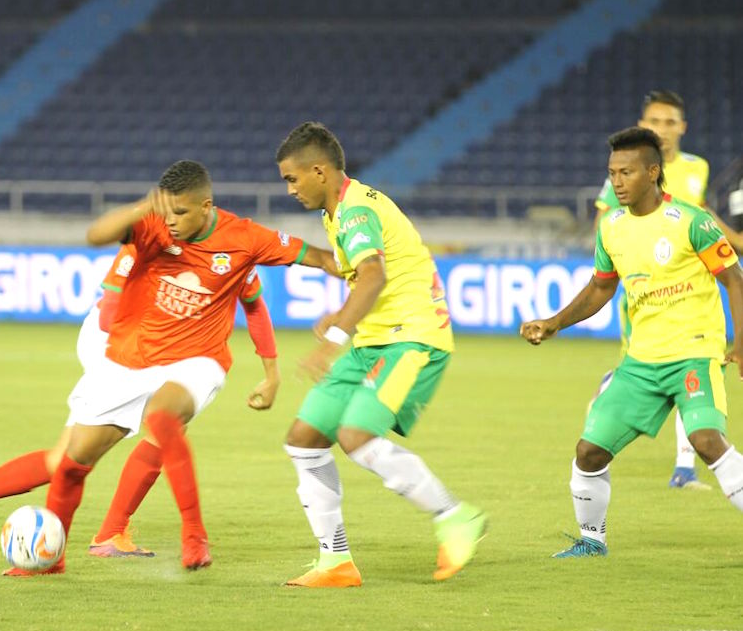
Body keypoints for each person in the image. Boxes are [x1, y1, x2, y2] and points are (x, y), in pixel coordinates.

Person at [40, 159, 337, 574]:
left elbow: (317, 261)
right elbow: (96, 237)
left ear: (206, 206)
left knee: (162, 420)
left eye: (181, 212)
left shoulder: (245, 239)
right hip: (129, 355)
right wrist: (146, 206)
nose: (172, 222)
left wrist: (371, 271)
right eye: (168, 211)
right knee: (72, 461)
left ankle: (190, 535)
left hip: (198, 361)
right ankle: (46, 555)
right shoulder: (153, 227)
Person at [0, 242, 282, 570]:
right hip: (117, 345)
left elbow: (253, 304)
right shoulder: (153, 240)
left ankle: (109, 532)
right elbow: (110, 312)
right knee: (70, 458)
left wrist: (270, 368)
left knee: (165, 425)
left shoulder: (232, 252)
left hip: (166, 349)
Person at [273, 121, 487, 588]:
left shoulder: (353, 212)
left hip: (412, 337)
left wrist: (331, 342)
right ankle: (336, 561)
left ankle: (455, 516)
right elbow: (344, 268)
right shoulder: (339, 212)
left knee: (356, 436)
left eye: (292, 178)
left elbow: (373, 275)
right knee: (304, 439)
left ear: (319, 171)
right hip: (372, 340)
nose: (289, 189)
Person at [522, 127, 743, 558]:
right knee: (588, 451)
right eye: (611, 173)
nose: (616, 181)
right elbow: (601, 288)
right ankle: (592, 541)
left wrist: (742, 343)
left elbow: (735, 281)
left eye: (626, 172)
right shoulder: (612, 228)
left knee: (706, 441)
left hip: (693, 355)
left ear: (653, 172)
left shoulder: (692, 223)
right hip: (641, 363)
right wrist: (554, 323)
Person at [594, 92, 743, 489]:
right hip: (646, 298)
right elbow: (609, 234)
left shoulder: (698, 167)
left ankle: (683, 467)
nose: (662, 129)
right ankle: (607, 403)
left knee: (687, 370)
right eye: (654, 122)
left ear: (682, 127)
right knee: (646, 369)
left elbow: (702, 216)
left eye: (668, 122)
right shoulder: (627, 173)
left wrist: (734, 241)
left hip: (691, 289)